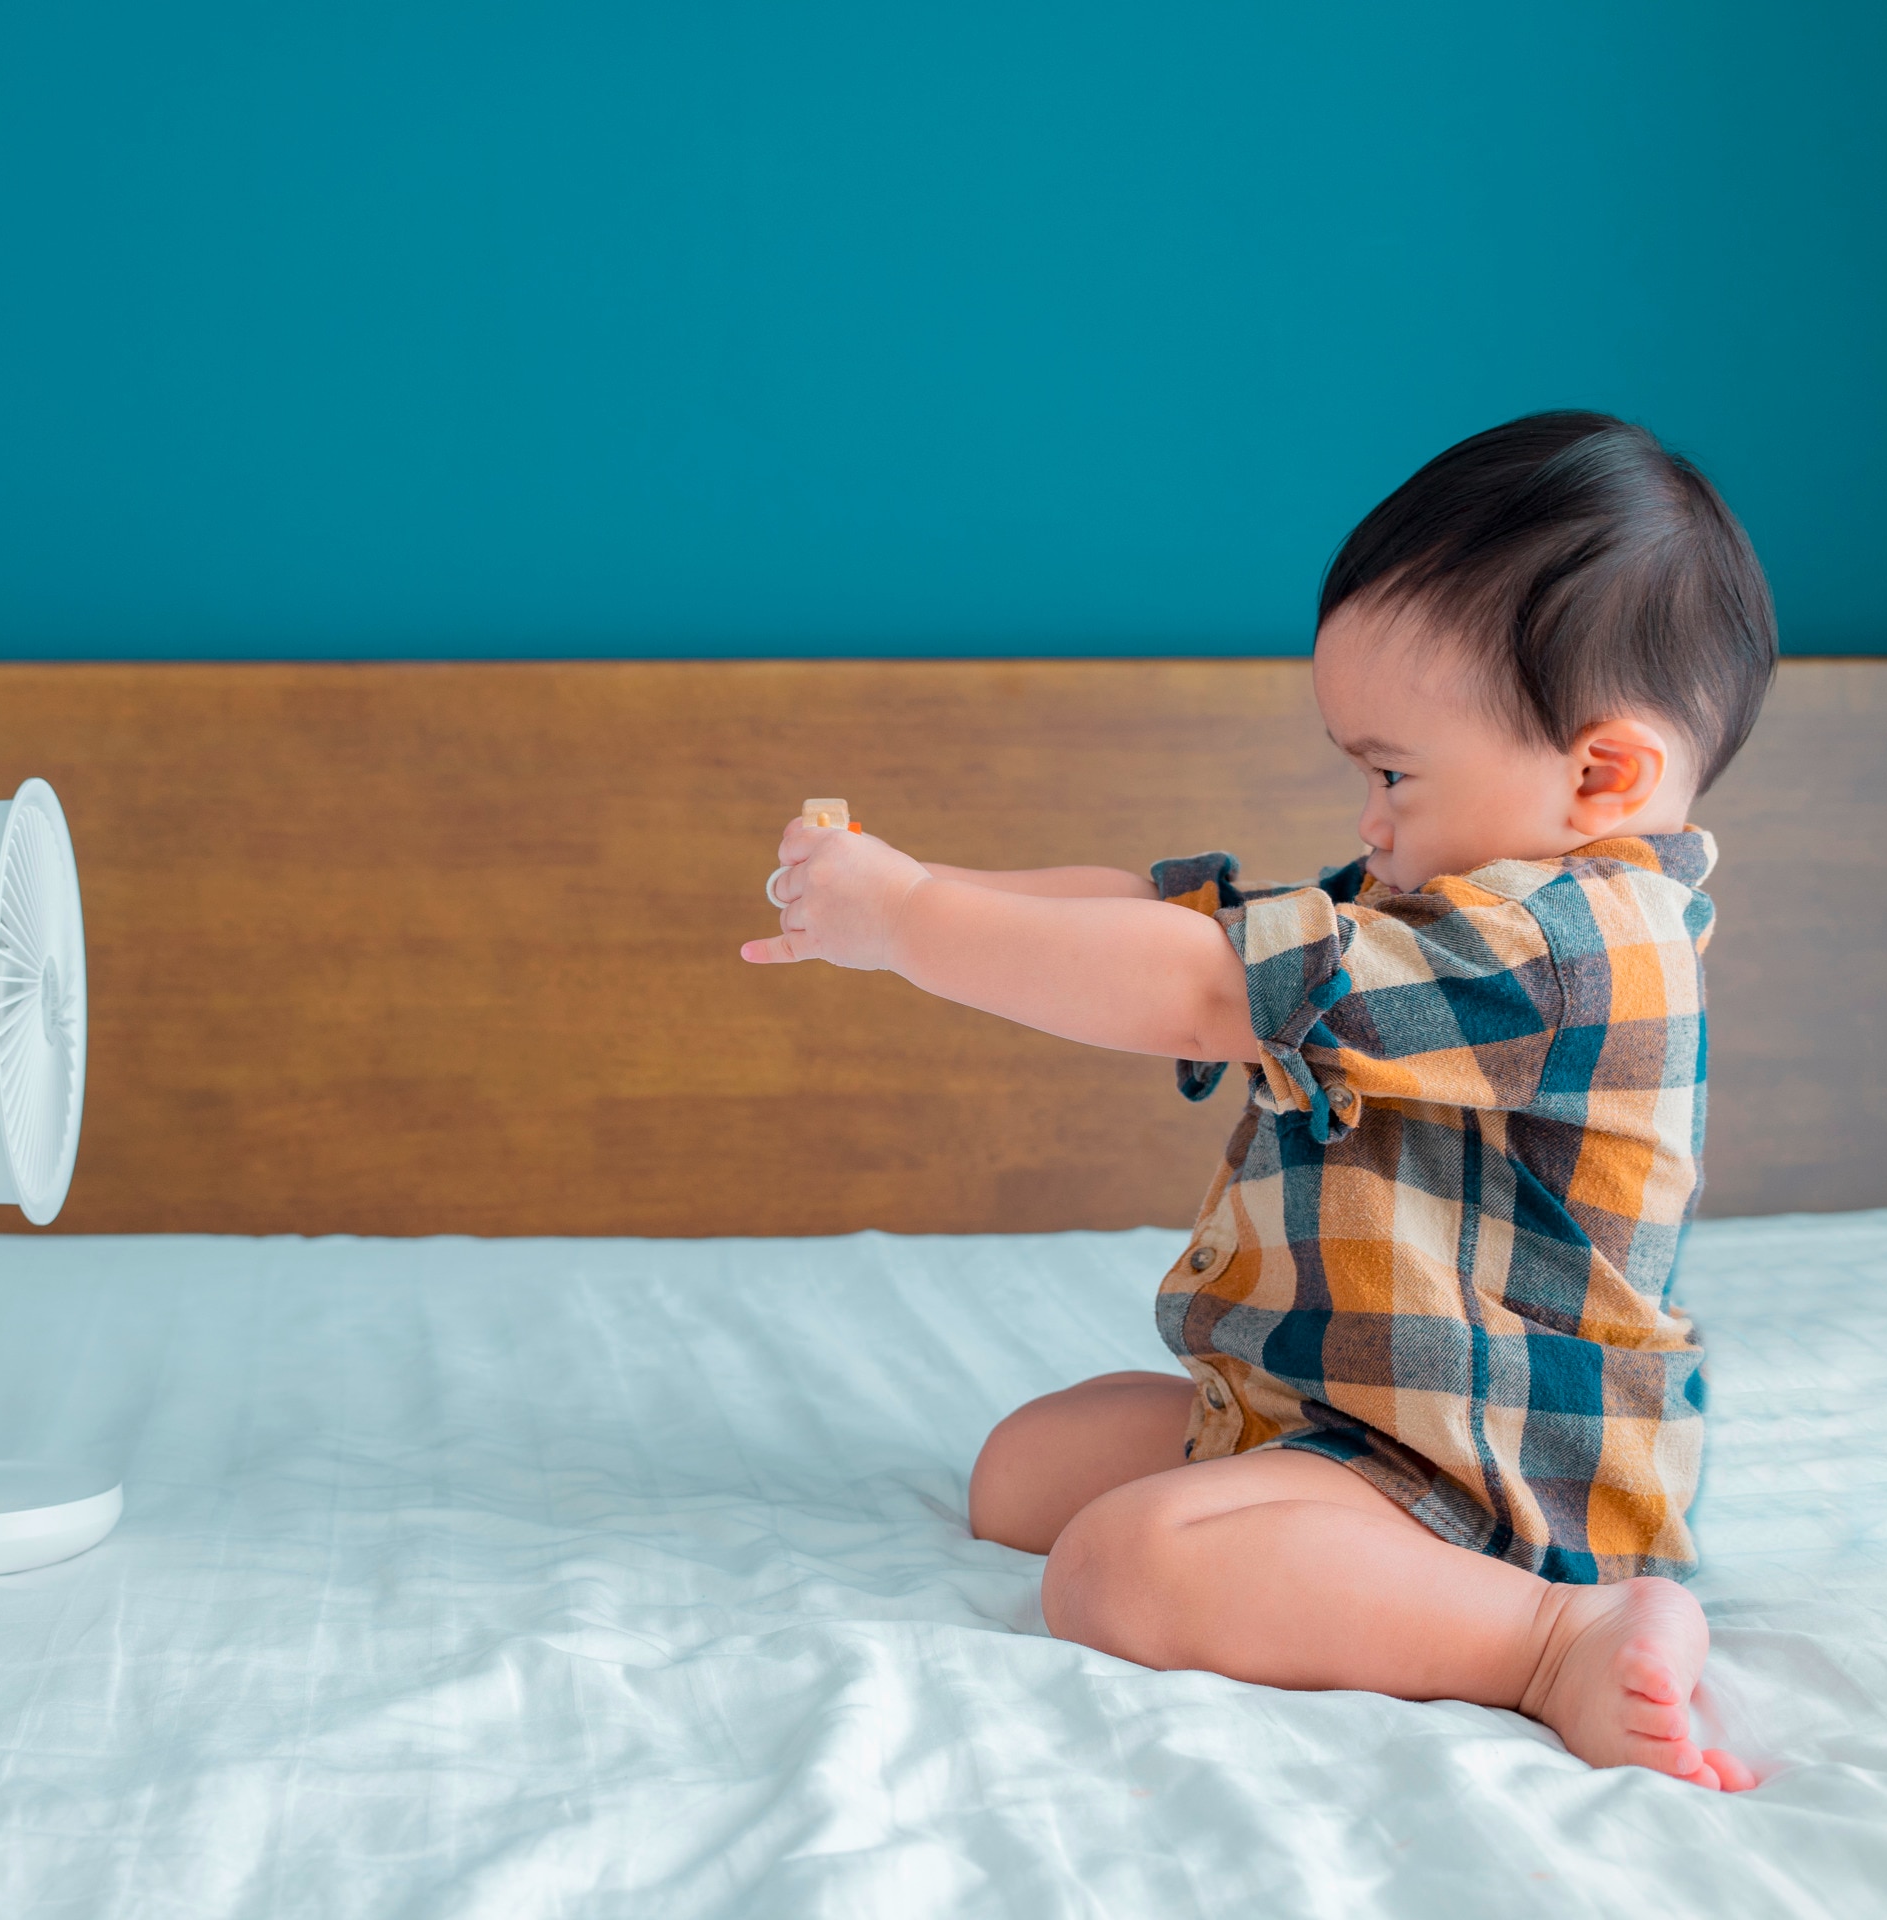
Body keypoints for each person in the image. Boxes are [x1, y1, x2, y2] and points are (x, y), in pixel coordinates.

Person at [741, 412, 1776, 1791]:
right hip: (1343, 1408)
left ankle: (1548, 1641)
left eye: (1391, 771)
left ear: (1603, 776)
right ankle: (1308, 1524)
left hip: (1490, 1465)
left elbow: (1197, 988)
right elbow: (1172, 919)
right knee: (1021, 1477)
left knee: (1120, 1571)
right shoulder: (1435, 910)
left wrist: (919, 925)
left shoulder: (1573, 950)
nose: (1368, 817)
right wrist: (915, 887)